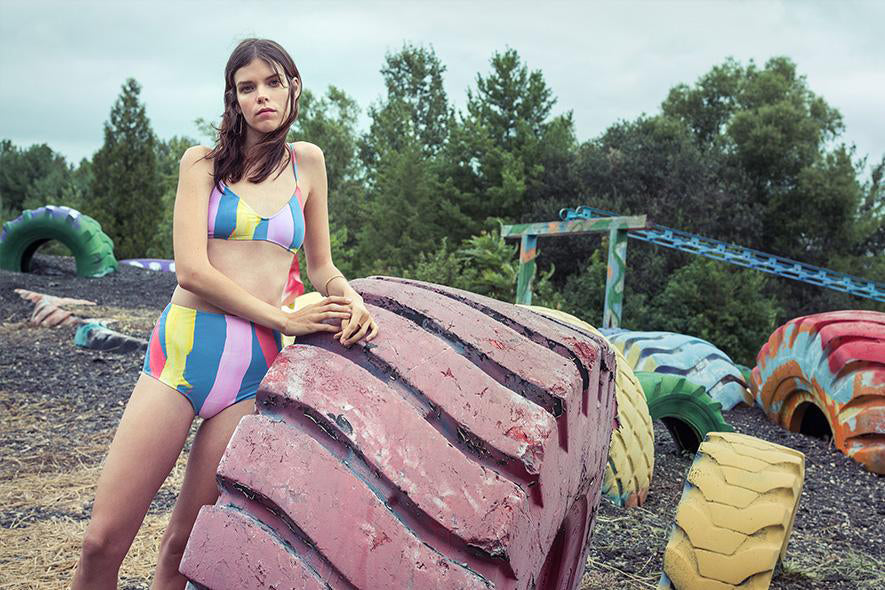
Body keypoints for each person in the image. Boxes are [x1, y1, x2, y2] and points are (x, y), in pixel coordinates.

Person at [71, 38, 378, 589]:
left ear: (293, 87)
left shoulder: (308, 163)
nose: (261, 95)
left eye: (272, 82)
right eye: (247, 87)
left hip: (251, 369)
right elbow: (190, 270)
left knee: (184, 547)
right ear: (233, 100)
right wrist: (284, 319)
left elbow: (322, 266)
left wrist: (350, 297)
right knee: (101, 544)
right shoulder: (202, 165)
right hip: (184, 353)